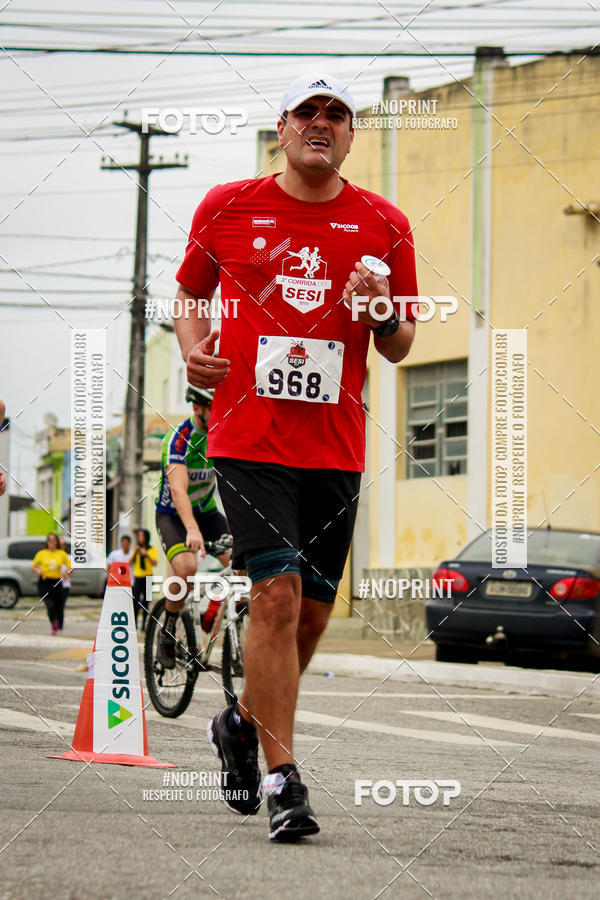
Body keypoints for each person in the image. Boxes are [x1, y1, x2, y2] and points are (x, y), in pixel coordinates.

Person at [173, 73, 417, 842]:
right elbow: (188, 295)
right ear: (282, 127)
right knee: (274, 595)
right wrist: (193, 354)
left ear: (351, 134)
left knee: (311, 613)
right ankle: (285, 779)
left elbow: (402, 342)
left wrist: (379, 309)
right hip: (246, 438)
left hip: (335, 445)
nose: (322, 123)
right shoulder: (227, 206)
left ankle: (242, 724)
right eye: (307, 112)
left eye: (336, 114)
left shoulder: (386, 224)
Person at [154, 385, 230, 669]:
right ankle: (168, 630)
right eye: (215, 408)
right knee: (187, 568)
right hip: (172, 514)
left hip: (208, 512)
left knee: (243, 564)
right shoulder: (179, 438)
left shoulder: (223, 432)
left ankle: (220, 621)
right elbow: (178, 489)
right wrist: (192, 530)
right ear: (198, 408)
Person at [32, 533, 71, 634]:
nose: (52, 542)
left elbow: (70, 567)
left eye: (54, 540)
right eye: (50, 540)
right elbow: (33, 566)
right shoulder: (41, 553)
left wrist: (67, 573)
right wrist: (38, 571)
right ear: (47, 542)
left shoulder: (61, 553)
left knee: (58, 606)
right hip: (44, 582)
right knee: (49, 604)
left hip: (57, 582)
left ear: (57, 542)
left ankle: (59, 624)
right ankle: (54, 623)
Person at [131, 528, 158, 631]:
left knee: (146, 601)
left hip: (148, 577)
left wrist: (146, 555)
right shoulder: (136, 549)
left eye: (142, 536)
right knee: (135, 600)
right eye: (139, 536)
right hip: (138, 577)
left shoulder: (152, 550)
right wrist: (136, 552)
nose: (140, 538)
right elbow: (130, 562)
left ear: (146, 537)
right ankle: (134, 623)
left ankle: (143, 626)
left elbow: (155, 563)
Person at [58, 537, 71, 607]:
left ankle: (58, 618)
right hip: (54, 584)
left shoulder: (69, 557)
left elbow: (71, 571)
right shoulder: (53, 556)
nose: (61, 546)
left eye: (63, 545)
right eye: (59, 545)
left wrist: (67, 573)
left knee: (61, 606)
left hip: (65, 585)